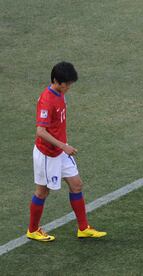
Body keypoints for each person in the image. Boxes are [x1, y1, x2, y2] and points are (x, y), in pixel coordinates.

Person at [27, 61, 106, 242]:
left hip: (60, 151)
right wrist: (63, 146)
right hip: (47, 154)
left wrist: (62, 146)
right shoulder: (47, 100)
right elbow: (40, 131)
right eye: (67, 84)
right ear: (57, 81)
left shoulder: (60, 93)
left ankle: (83, 228)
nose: (69, 87)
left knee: (76, 185)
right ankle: (32, 230)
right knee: (42, 193)